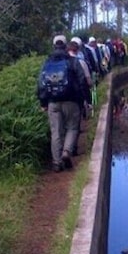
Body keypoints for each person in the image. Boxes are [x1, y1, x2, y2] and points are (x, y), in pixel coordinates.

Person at [37, 35, 88, 172]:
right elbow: (82, 81)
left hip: (53, 102)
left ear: (54, 46)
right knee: (72, 128)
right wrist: (85, 99)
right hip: (72, 101)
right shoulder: (73, 61)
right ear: (66, 46)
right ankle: (66, 152)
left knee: (56, 132)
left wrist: (43, 102)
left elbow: (41, 84)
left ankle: (56, 162)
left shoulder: (47, 63)